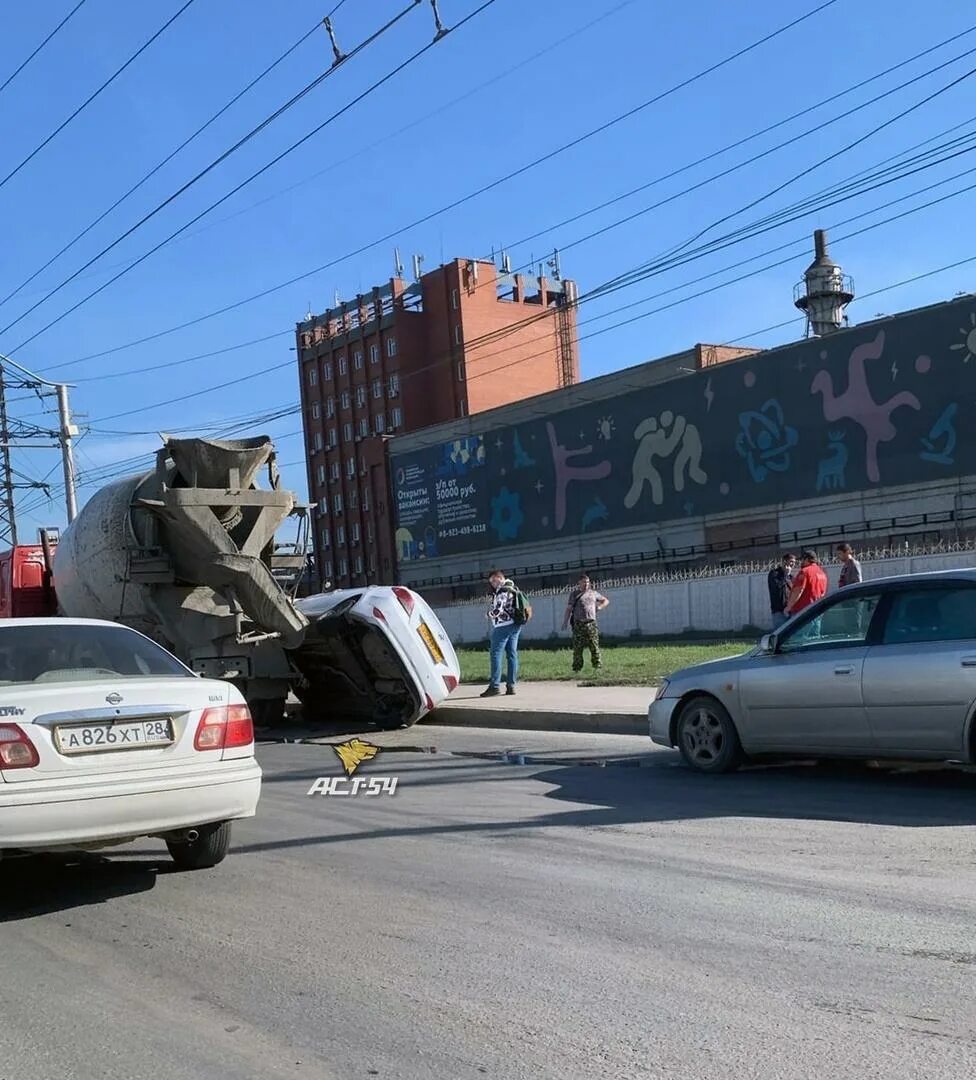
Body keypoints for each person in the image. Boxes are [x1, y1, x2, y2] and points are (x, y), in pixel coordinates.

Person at [481, 569, 522, 697]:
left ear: (499, 578)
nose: (492, 584)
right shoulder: (513, 587)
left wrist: (488, 615)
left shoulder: (503, 590)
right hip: (515, 624)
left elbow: (498, 610)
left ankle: (494, 686)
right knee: (512, 655)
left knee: (495, 654)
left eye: (493, 580)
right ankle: (511, 686)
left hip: (503, 626)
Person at [562, 573, 610, 672]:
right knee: (578, 648)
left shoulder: (593, 593)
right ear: (579, 583)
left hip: (591, 623)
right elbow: (569, 609)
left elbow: (605, 601)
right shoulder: (574, 594)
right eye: (584, 582)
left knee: (594, 646)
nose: (586, 584)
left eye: (587, 582)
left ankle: (597, 667)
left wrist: (599, 607)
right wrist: (565, 622)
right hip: (579, 624)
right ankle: (577, 669)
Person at [785, 550, 828, 617]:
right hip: (817, 610)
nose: (800, 562)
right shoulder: (822, 573)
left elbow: (798, 591)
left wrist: (788, 607)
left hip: (803, 612)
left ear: (807, 559)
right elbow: (822, 593)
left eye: (802, 560)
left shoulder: (804, 571)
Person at [767, 553, 796, 628]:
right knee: (780, 634)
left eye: (794, 562)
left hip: (790, 610)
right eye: (791, 561)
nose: (793, 564)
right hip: (779, 611)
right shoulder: (774, 574)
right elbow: (777, 587)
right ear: (784, 561)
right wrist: (785, 575)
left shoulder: (791, 577)